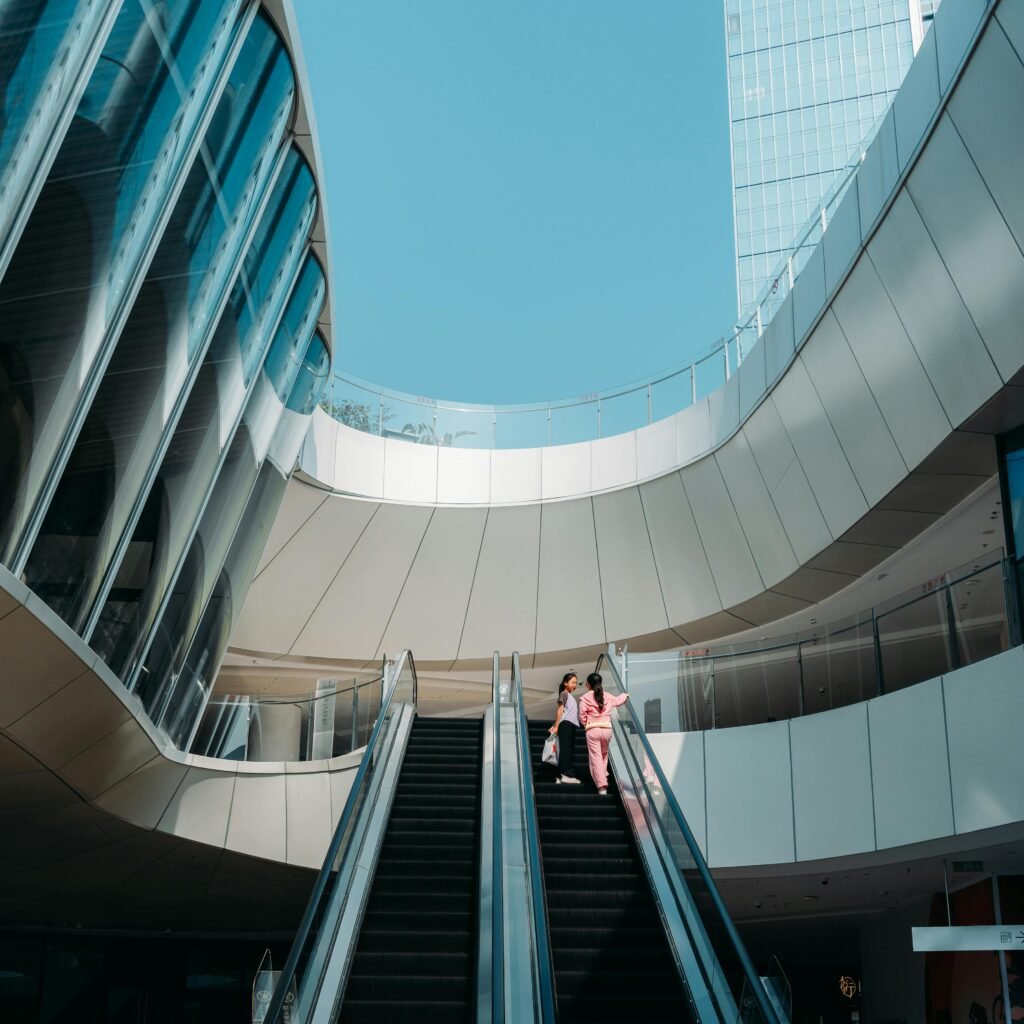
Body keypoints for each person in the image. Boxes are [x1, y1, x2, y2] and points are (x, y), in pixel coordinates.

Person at [578, 671, 629, 795]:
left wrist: (587, 725)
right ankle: (603, 774)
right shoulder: (606, 695)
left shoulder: (584, 698)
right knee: (604, 754)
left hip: (593, 730)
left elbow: (581, 716)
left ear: (587, 684)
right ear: (600, 683)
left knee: (596, 757)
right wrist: (625, 695)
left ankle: (601, 786)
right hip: (607, 730)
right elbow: (618, 701)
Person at [548, 672, 581, 785]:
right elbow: (560, 710)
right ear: (565, 682)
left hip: (569, 724)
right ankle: (567, 774)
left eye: (576, 683)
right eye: (572, 682)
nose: (575, 685)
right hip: (566, 724)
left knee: (567, 749)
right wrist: (556, 725)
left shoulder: (568, 695)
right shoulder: (564, 693)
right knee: (566, 750)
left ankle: (561, 775)